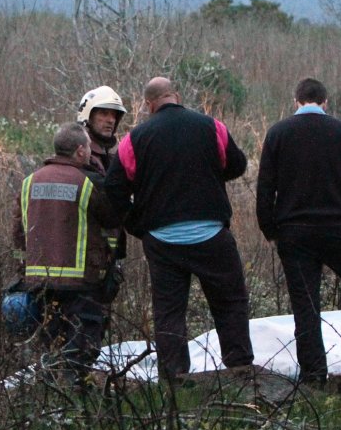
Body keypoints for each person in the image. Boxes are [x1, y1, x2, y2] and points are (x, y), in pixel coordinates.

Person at [104, 77, 254, 379]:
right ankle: (239, 369)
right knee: (230, 302)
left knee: (169, 313)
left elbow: (114, 189)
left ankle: (174, 379)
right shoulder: (212, 126)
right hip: (212, 233)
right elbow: (238, 165)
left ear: (148, 104)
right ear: (177, 96)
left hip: (162, 239)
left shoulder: (134, 140)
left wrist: (139, 225)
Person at [256, 77, 341, 377]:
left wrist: (270, 230)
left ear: (296, 101)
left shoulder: (278, 133)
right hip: (338, 228)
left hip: (293, 232)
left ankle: (314, 373)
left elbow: (265, 189)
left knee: (306, 303)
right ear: (325, 102)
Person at [13, 123, 120, 379]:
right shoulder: (87, 182)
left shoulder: (29, 182)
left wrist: (23, 271)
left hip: (39, 279)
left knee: (52, 338)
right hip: (80, 279)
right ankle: (74, 394)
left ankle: (51, 392)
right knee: (83, 338)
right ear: (81, 151)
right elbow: (112, 218)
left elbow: (18, 232)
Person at [77, 85, 128, 296]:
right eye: (104, 113)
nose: (110, 120)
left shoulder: (113, 159)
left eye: (114, 115)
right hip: (82, 258)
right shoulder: (79, 155)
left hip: (106, 255)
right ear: (87, 116)